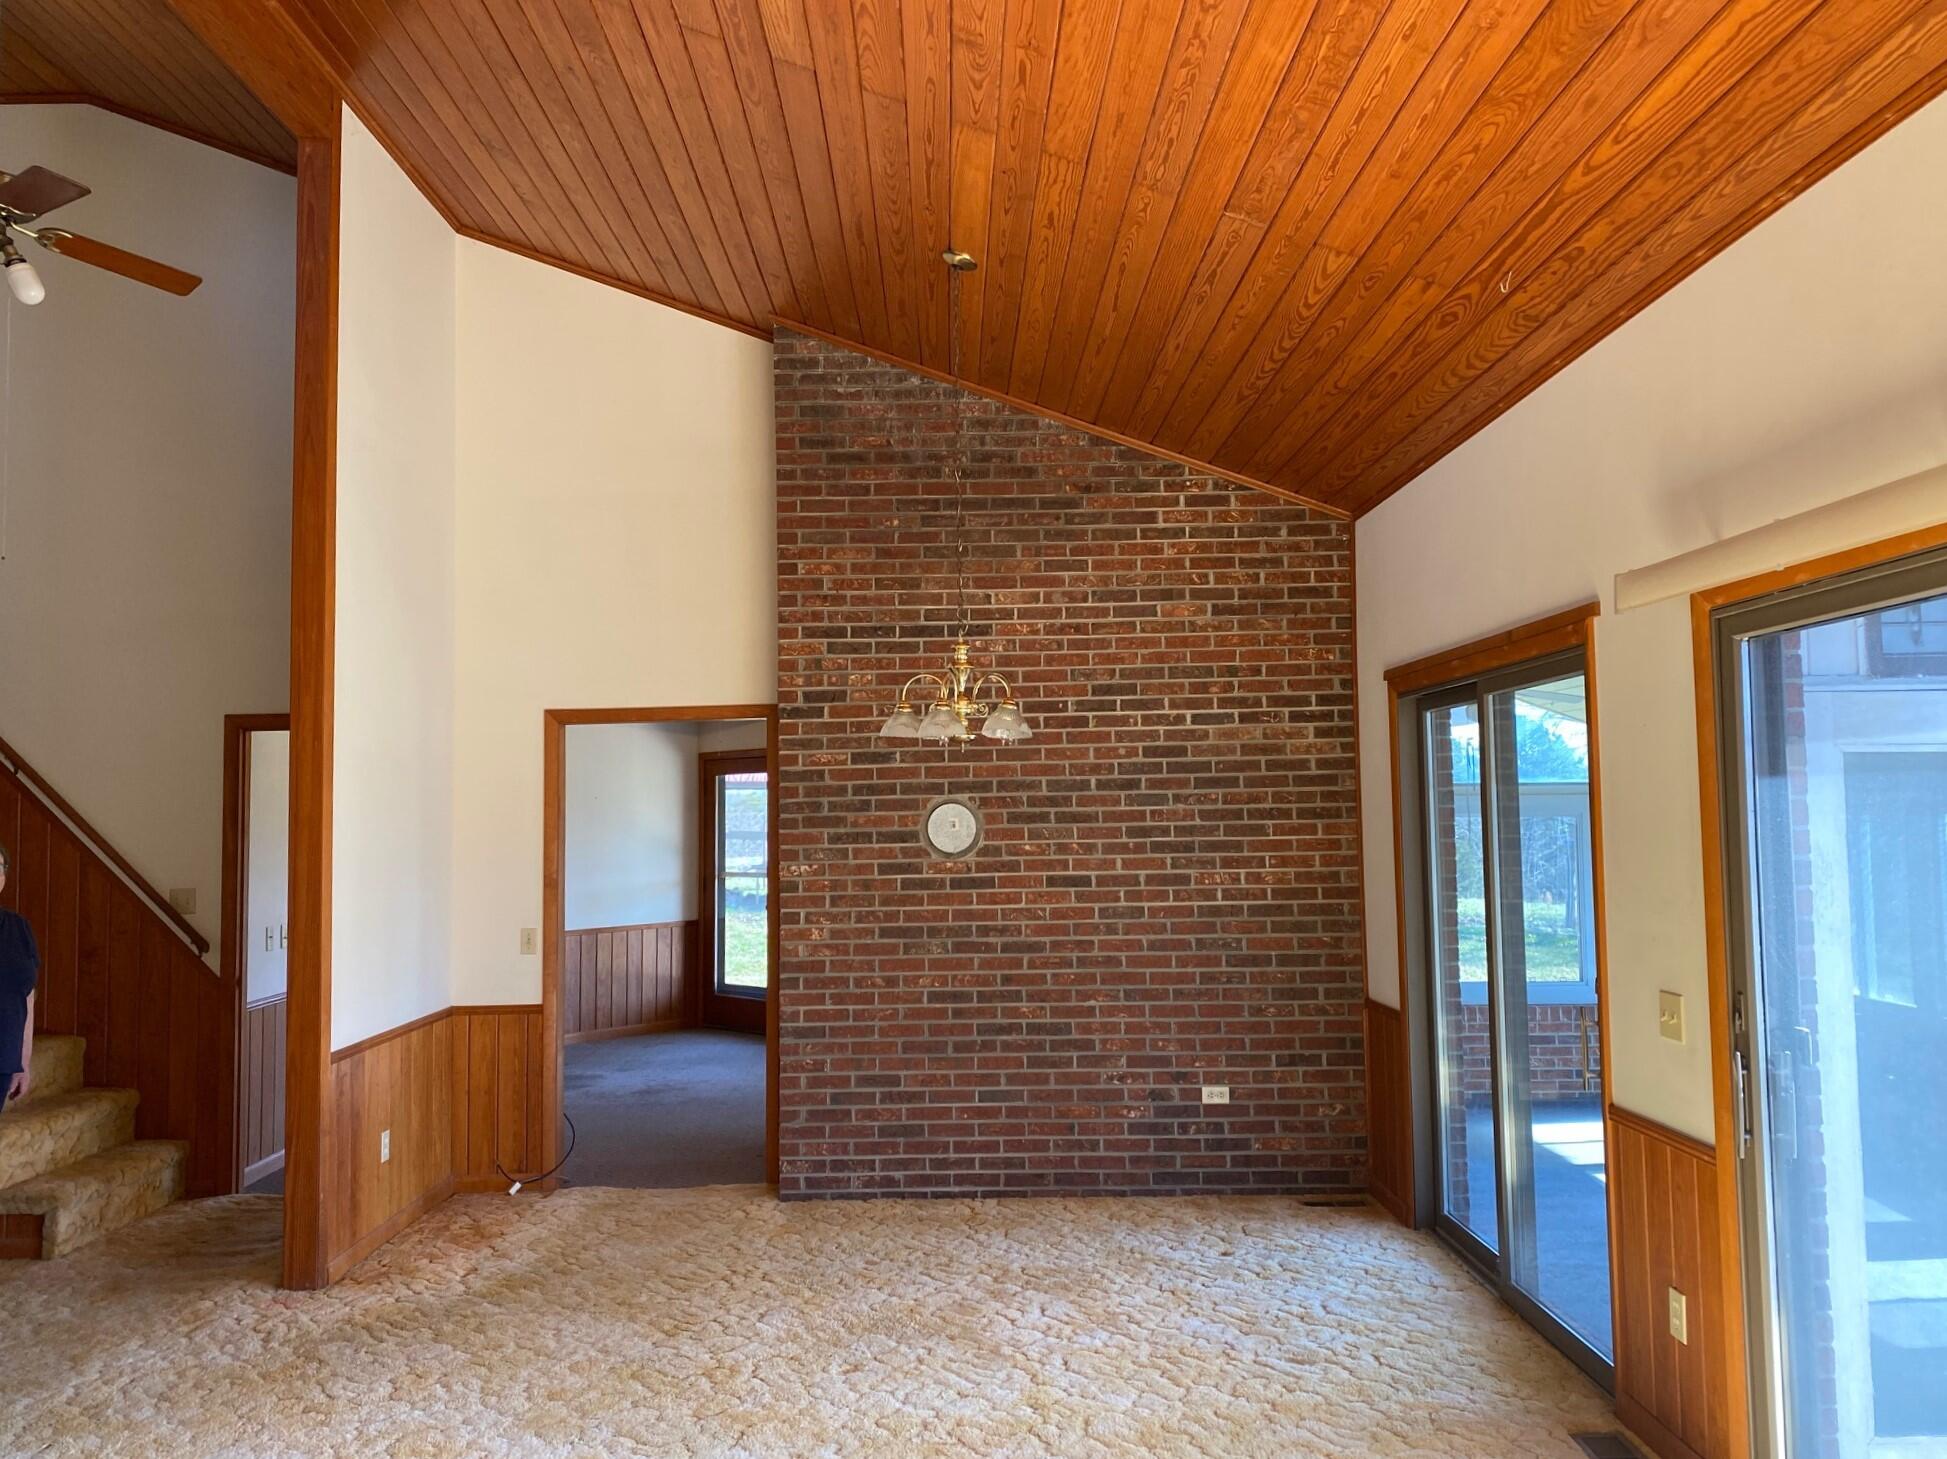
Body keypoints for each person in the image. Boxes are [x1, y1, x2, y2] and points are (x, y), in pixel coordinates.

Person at [0, 842, 38, 1109]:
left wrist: (22, 1058)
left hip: (3, 1058)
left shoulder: (19, 927)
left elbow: (27, 994)